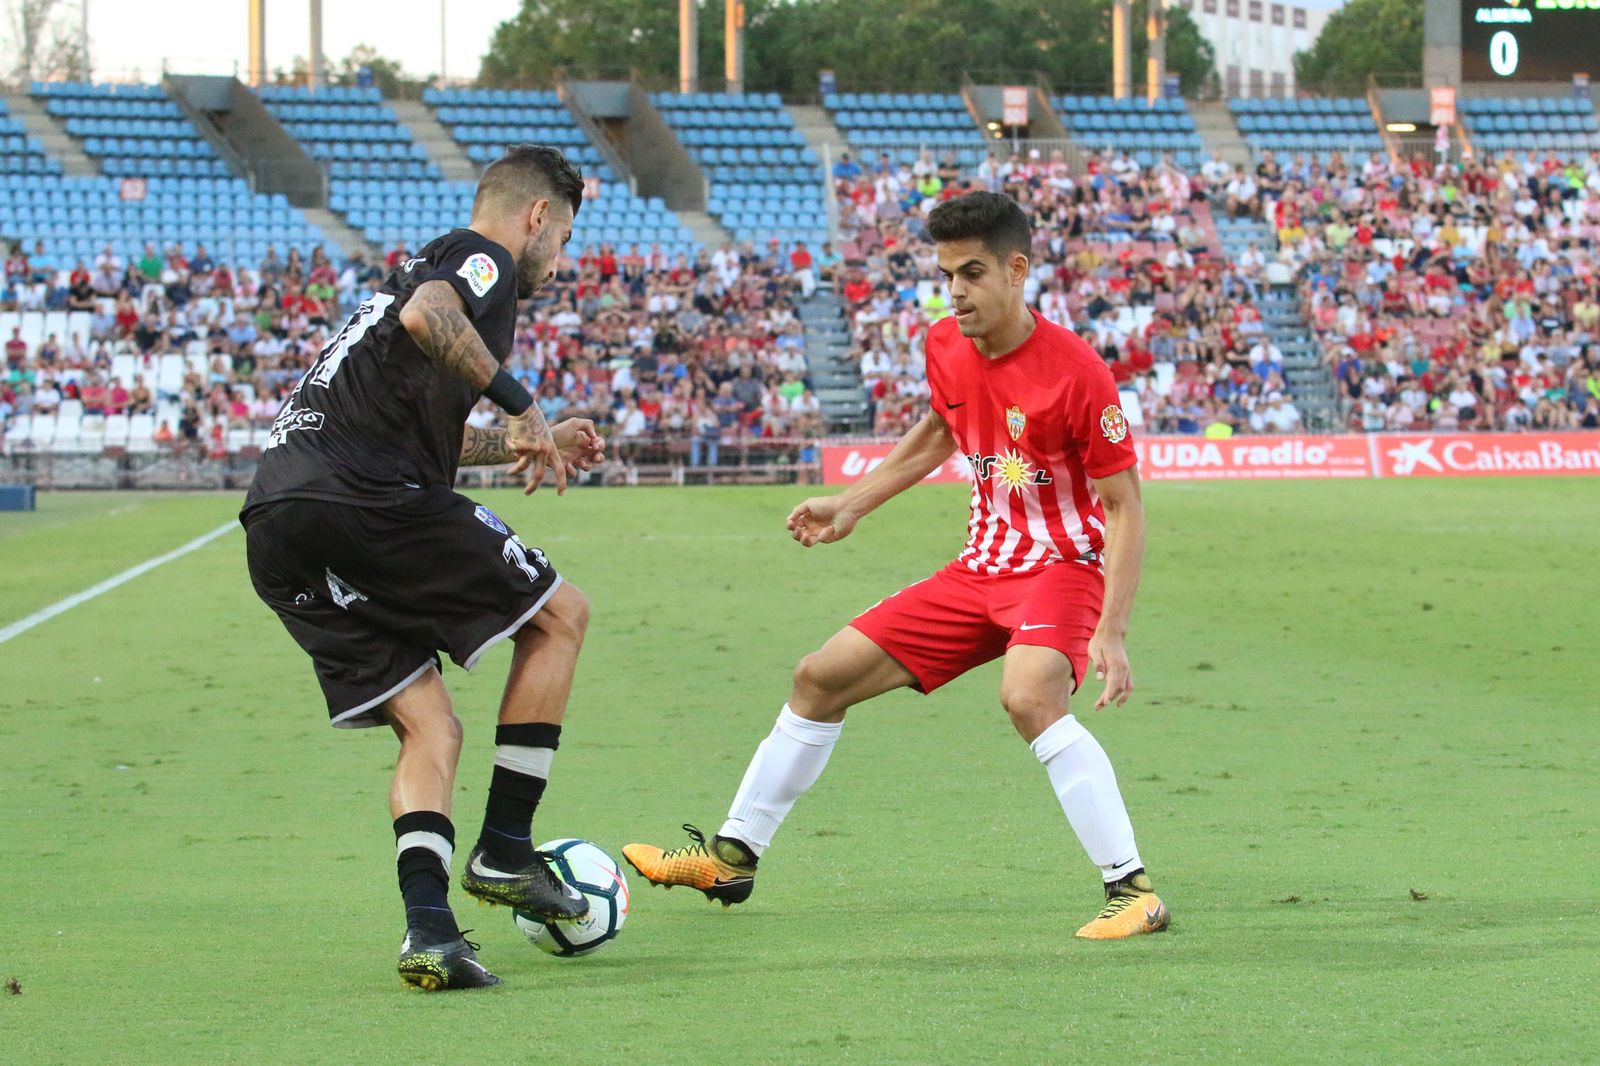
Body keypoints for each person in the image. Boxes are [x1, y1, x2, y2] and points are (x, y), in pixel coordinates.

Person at [623, 192, 1169, 940]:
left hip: (1060, 569)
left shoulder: (1077, 373)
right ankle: (732, 857)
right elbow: (942, 429)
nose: (955, 292)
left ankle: (1132, 888)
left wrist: (1113, 629)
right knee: (820, 677)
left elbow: (1124, 507)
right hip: (979, 568)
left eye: (972, 273)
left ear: (1016, 271)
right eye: (946, 275)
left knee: (1029, 694)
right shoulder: (945, 343)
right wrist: (853, 504)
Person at [240, 145, 607, 992]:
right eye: (563, 239)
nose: (560, 262)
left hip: (280, 522)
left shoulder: (408, 280)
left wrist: (520, 441)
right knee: (561, 616)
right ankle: (506, 849)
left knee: (432, 727)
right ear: (538, 216)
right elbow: (429, 313)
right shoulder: (482, 259)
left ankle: (431, 934)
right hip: (359, 498)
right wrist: (523, 405)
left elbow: (423, 434)